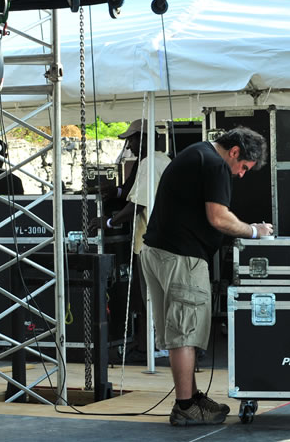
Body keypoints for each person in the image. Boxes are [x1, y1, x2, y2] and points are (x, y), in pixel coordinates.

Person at [141, 126, 273, 426]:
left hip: (157, 252)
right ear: (235, 152)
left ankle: (190, 397)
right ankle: (186, 405)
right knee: (185, 334)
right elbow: (218, 217)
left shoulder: (196, 152)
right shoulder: (215, 164)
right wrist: (256, 231)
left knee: (177, 335)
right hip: (181, 258)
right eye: (243, 168)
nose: (240, 175)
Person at [92, 119, 172, 362]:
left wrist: (108, 222)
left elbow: (138, 203)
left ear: (143, 138)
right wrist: (113, 191)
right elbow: (131, 192)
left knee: (148, 297)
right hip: (164, 240)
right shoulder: (164, 161)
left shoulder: (148, 163)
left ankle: (149, 348)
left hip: (149, 242)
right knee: (158, 297)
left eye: (132, 140)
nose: (129, 146)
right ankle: (152, 345)